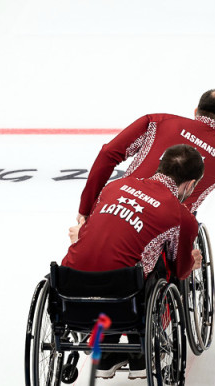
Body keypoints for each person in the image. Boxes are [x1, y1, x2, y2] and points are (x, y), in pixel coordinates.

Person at [62, 144, 205, 379]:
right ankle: (139, 352)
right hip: (125, 300)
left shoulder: (113, 187)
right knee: (160, 265)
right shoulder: (182, 217)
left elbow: (93, 232)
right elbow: (180, 270)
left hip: (69, 286)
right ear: (190, 184)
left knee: (112, 254)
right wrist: (192, 261)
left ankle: (107, 353)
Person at [75, 89, 215, 231]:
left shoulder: (157, 121)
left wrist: (86, 207)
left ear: (196, 111)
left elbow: (108, 154)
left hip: (114, 208)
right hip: (161, 229)